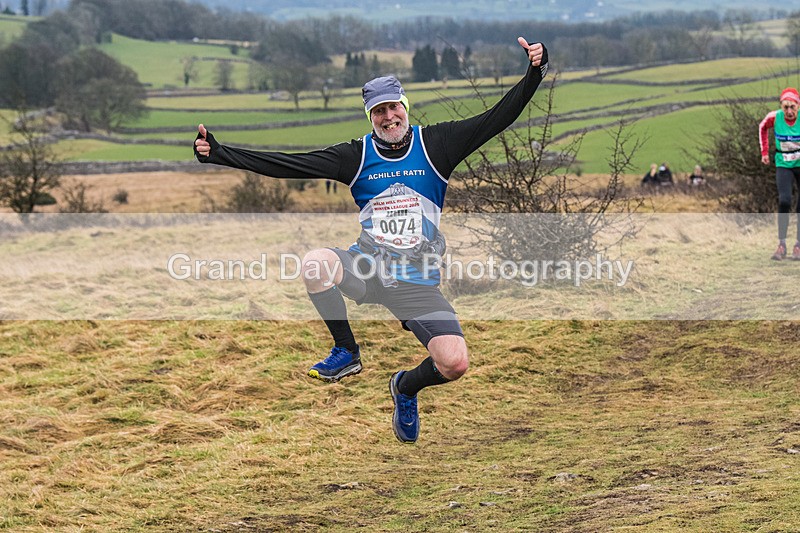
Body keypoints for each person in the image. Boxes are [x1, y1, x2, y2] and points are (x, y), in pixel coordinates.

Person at [194, 37, 549, 443]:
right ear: (370, 117)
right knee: (315, 264)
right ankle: (346, 352)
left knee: (454, 364)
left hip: (416, 282)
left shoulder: (438, 145)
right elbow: (290, 165)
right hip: (367, 267)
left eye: (393, 107)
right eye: (378, 111)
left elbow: (497, 117)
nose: (388, 117)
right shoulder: (355, 156)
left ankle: (405, 387)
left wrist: (534, 74)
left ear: (405, 108)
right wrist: (220, 154)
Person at [759, 87, 800, 261]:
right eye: (786, 107)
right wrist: (765, 152)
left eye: (793, 107)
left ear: (798, 106)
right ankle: (781, 244)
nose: (789, 112)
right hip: (783, 163)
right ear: (781, 107)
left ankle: (798, 246)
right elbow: (762, 127)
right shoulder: (774, 117)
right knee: (785, 200)